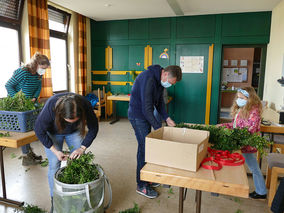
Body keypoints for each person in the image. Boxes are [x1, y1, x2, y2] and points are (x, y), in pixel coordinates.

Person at [34, 93, 99, 212]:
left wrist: (82, 148)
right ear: (60, 114)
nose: (71, 122)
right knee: (54, 164)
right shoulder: (51, 106)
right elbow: (39, 130)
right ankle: (55, 199)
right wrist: (55, 151)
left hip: (74, 133)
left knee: (78, 162)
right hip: (53, 132)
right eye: (69, 120)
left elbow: (94, 127)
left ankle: (78, 196)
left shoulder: (84, 104)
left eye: (75, 120)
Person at [128, 65, 182, 199]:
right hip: (137, 116)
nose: (169, 85)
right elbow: (147, 109)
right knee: (144, 148)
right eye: (170, 83)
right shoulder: (148, 78)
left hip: (145, 115)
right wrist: (159, 128)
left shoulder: (159, 81)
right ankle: (141, 185)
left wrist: (167, 118)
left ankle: (148, 177)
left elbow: (159, 104)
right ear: (165, 74)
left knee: (149, 148)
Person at [220, 86, 267, 199]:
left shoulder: (254, 111)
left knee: (253, 168)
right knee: (233, 164)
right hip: (238, 141)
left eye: (242, 97)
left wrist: (237, 136)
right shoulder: (241, 109)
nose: (239, 99)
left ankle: (261, 192)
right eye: (238, 97)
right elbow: (234, 125)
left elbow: (251, 128)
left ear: (249, 98)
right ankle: (230, 187)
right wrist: (222, 125)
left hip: (247, 144)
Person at [5, 52, 50, 166]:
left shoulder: (38, 75)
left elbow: (38, 86)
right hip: (18, 106)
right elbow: (8, 85)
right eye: (42, 68)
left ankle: (29, 153)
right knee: (24, 130)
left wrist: (35, 97)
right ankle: (26, 156)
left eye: (45, 69)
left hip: (30, 104)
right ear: (35, 64)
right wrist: (17, 99)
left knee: (31, 128)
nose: (43, 71)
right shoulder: (22, 72)